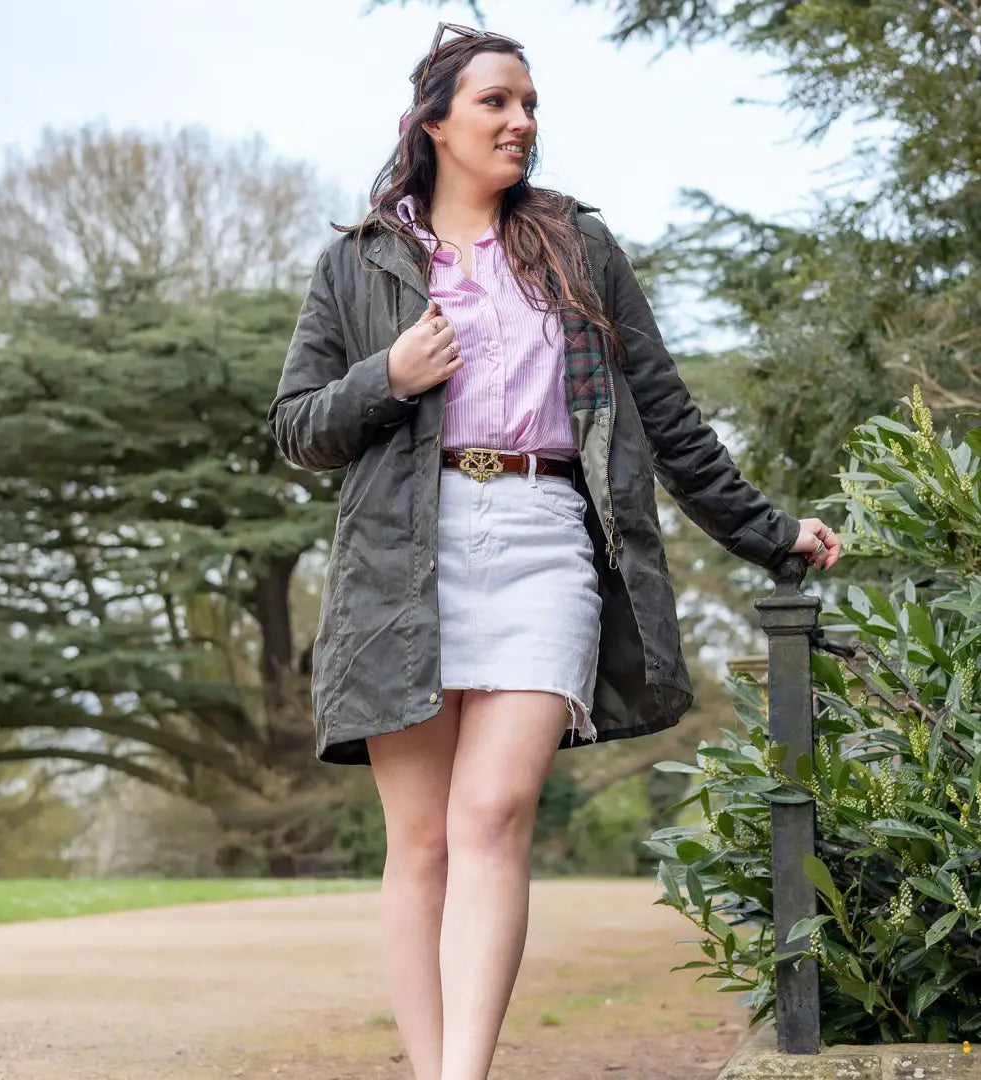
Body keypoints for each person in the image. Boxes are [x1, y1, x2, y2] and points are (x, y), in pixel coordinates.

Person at [268, 21, 841, 1080]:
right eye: (497, 102)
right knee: (425, 843)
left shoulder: (578, 248)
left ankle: (465, 1073)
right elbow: (299, 427)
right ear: (433, 120)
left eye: (530, 103)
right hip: (400, 560)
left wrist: (770, 533)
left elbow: (667, 419)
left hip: (542, 541)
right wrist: (388, 373)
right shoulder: (355, 266)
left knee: (493, 812)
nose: (523, 122)